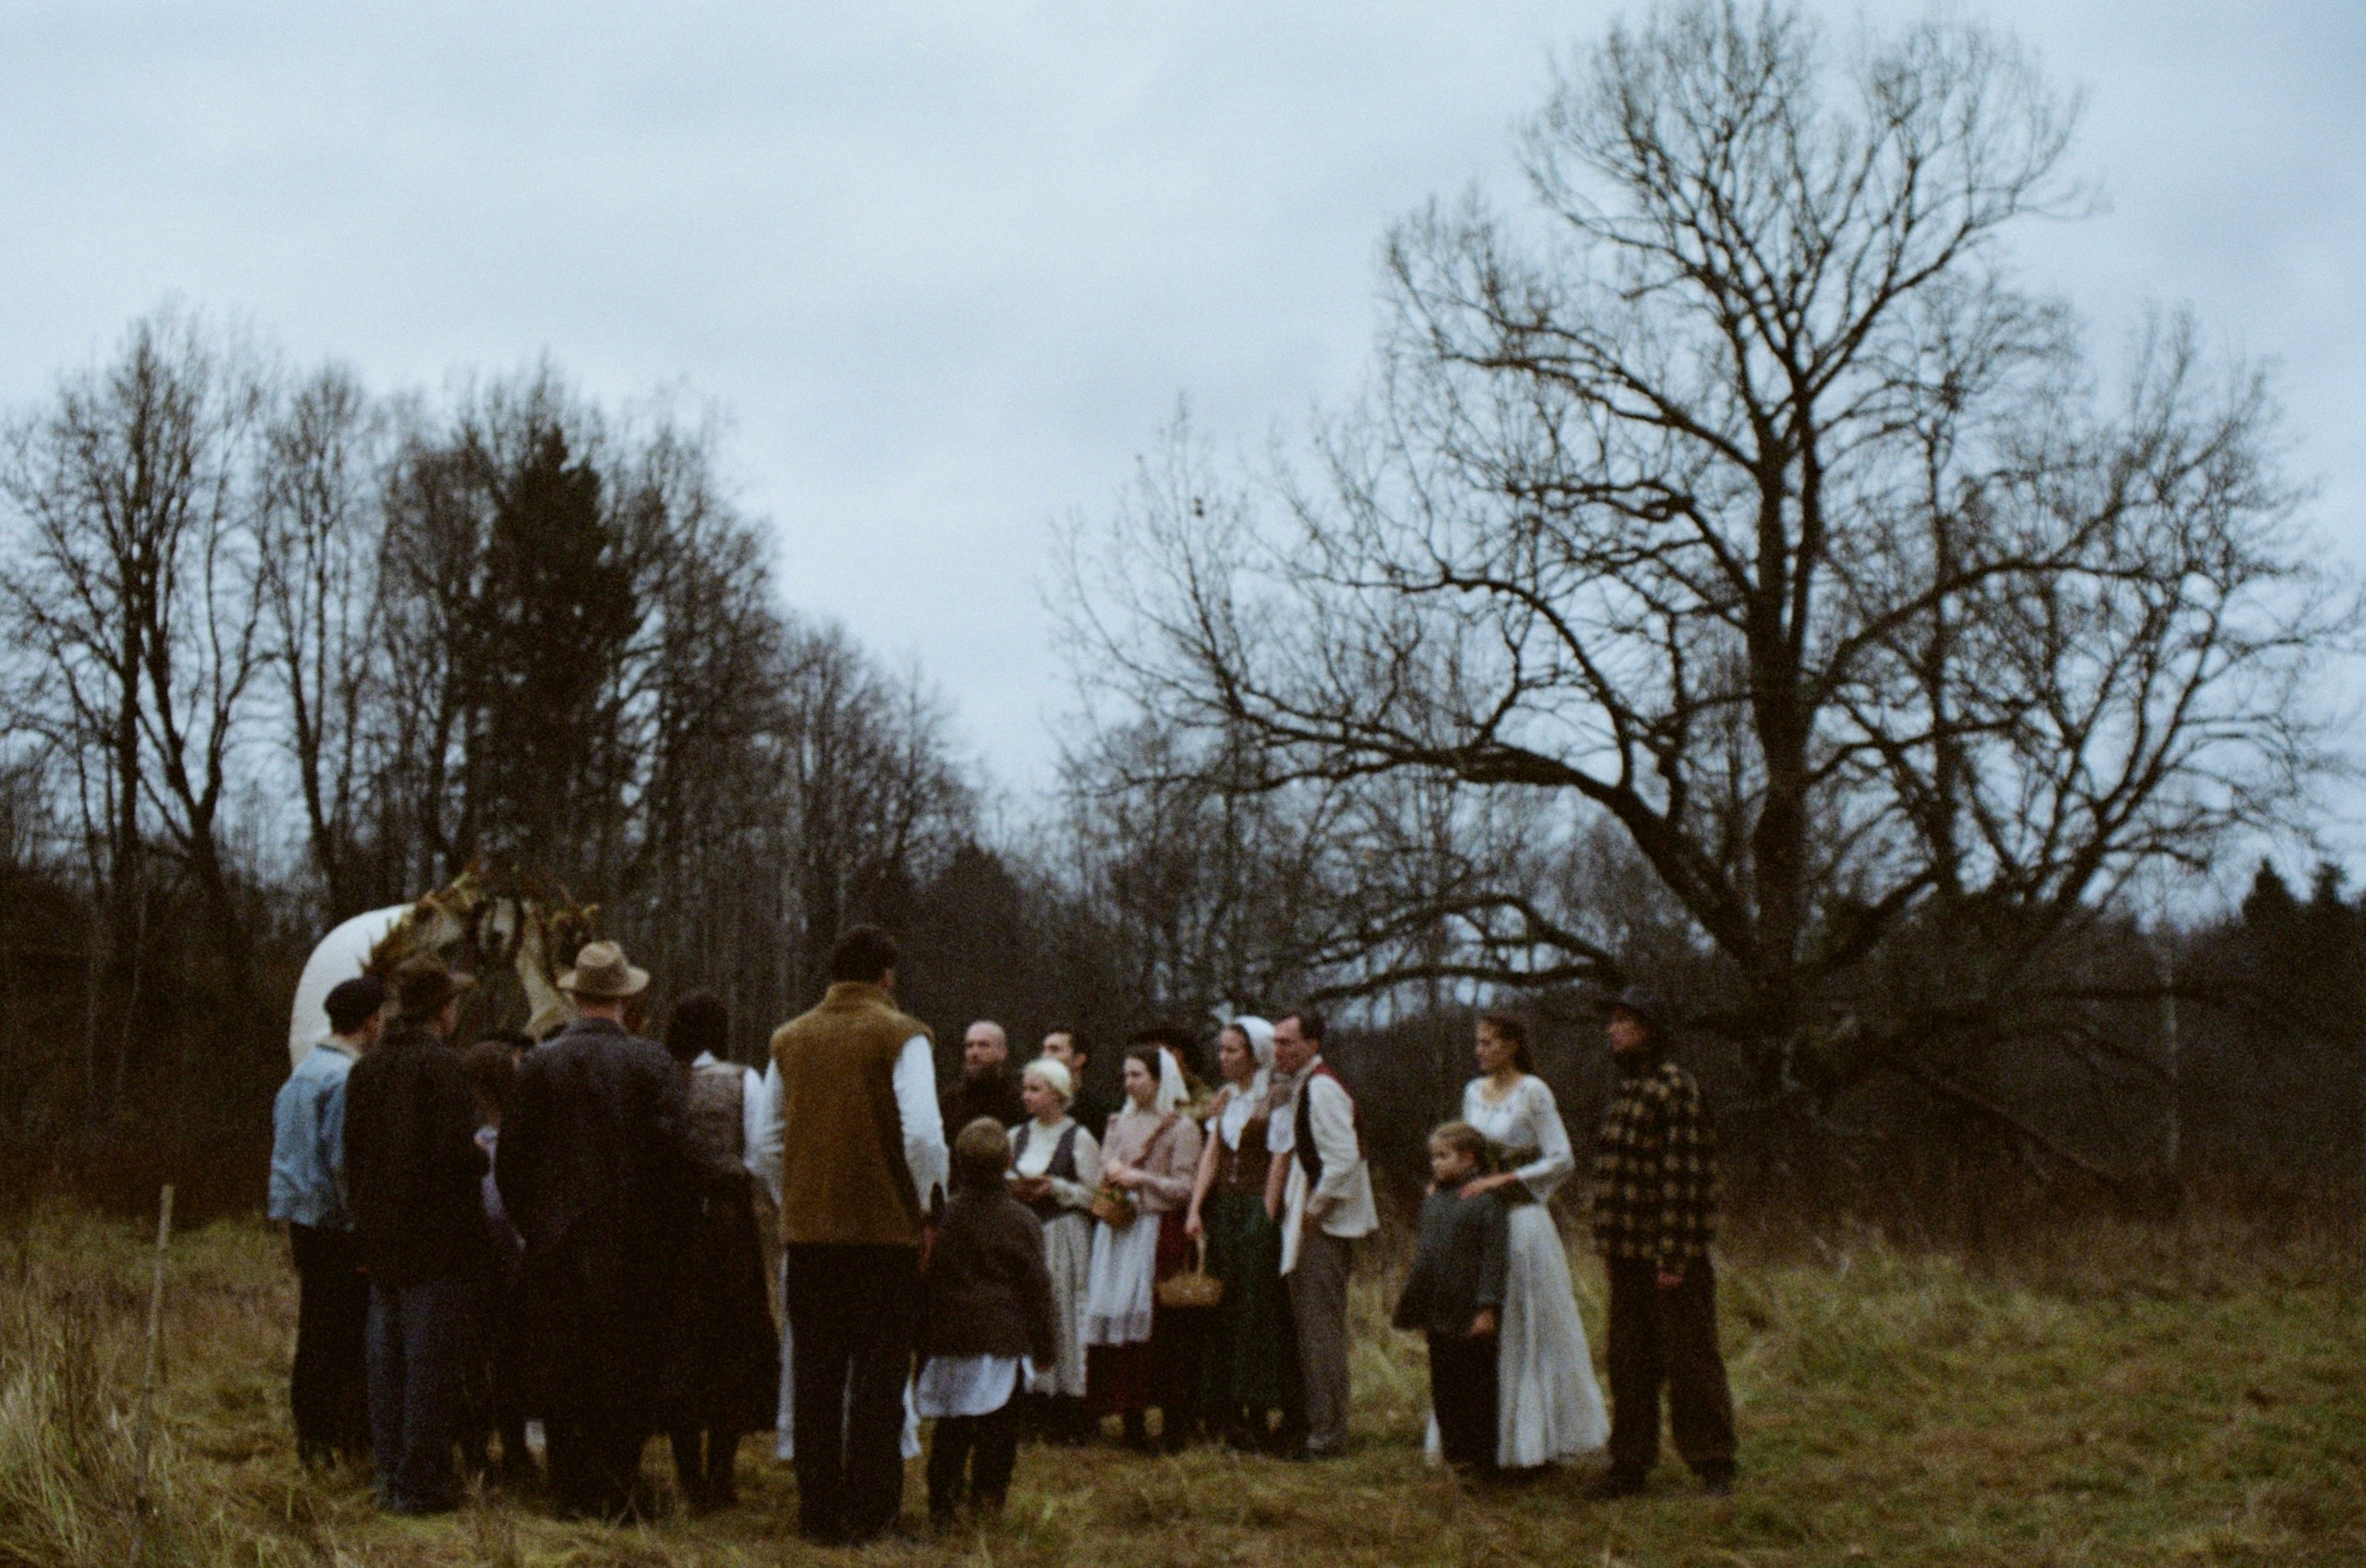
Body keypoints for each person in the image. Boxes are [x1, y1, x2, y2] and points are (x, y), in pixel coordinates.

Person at [498, 940, 690, 1521]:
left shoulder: (538, 1064)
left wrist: (539, 1227)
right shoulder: (652, 1063)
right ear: (627, 1000)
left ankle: (570, 1493)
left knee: (563, 1372)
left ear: (576, 996)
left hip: (557, 1249)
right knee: (625, 1372)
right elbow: (675, 1159)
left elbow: (512, 1164)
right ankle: (616, 1492)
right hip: (634, 1251)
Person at [770, 924, 948, 1546]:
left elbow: (766, 1140)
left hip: (809, 1236)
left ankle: (819, 1515)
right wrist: (930, 1206)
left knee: (815, 1376)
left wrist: (794, 1196)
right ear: (885, 977)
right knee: (877, 1379)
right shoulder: (901, 1032)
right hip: (882, 1236)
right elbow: (923, 1133)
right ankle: (873, 1517)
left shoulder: (788, 1038)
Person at [343, 956, 487, 1514]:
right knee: (428, 1369)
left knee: (386, 1365)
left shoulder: (366, 1069)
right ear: (443, 1010)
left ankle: (388, 1477)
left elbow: (351, 1158)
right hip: (437, 1242)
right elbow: (454, 1152)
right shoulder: (443, 1068)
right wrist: (478, 1158)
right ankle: (421, 1486)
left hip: (382, 1240)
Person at [1587, 987, 1737, 1499]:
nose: (1613, 1029)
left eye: (1623, 1021)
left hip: (1670, 1257)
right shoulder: (1627, 1089)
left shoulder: (1674, 1086)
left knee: (1690, 1363)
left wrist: (1673, 1256)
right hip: (1627, 1258)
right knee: (1628, 1365)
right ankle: (1629, 1464)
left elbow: (1686, 1176)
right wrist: (1607, 1246)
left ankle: (1713, 1463)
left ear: (1648, 1029)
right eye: (1613, 1021)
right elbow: (1614, 1177)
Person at [1447, 1011, 1610, 1470]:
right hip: (1479, 1220)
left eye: (1489, 1043)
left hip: (1520, 1219)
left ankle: (1533, 1441)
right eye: (1477, 1043)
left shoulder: (1534, 1092)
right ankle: (1482, 1438)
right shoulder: (1471, 1093)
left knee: (1524, 1319)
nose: (1480, 1051)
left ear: (1512, 1045)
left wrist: (1508, 1180)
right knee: (1482, 1321)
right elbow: (1464, 1150)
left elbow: (1562, 1158)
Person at [655, 993, 779, 1513]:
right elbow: (757, 1156)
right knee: (730, 1349)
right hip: (728, 1232)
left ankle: (687, 1477)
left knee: (679, 1350)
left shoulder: (657, 1075)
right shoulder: (742, 1080)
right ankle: (719, 1478)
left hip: (669, 1231)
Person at [918, 1118, 1058, 1529]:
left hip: (952, 1339)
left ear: (957, 1163)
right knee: (999, 1430)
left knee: (953, 1426)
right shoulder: (1022, 1221)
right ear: (1009, 1162)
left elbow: (927, 1282)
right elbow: (1037, 1290)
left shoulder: (944, 1219)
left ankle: (941, 1505)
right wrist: (1045, 1347)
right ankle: (988, 1502)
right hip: (1002, 1342)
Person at [269, 972, 384, 1468]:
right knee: (340, 1335)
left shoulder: (303, 1075)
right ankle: (331, 1438)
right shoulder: (344, 1078)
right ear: (369, 1022)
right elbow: (342, 1160)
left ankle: (312, 1435)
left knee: (315, 1328)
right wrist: (363, 1226)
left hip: (302, 1222)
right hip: (334, 1225)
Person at [1080, 1044, 1204, 1452]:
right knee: (1115, 1319)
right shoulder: (1117, 1123)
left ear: (1159, 1079)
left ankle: (1170, 1422)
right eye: (1126, 1075)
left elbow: (1186, 1188)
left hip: (1154, 1230)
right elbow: (1101, 1171)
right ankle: (1128, 1418)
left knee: (1157, 1330)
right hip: (1118, 1230)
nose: (1129, 1083)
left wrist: (1141, 1180)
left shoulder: (1181, 1128)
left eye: (1138, 1076)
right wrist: (1112, 1179)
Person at [1264, 1008, 1375, 1460]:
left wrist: (1314, 1209)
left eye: (1287, 1042)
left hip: (1325, 1226)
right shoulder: (1303, 1086)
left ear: (1312, 1044)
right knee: (1312, 1330)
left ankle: (1327, 1434)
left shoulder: (1322, 1087)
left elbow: (1344, 1160)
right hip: (1312, 1221)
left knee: (1320, 1331)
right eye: (1274, 1042)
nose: (1278, 1051)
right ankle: (1320, 1426)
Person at [1184, 1015, 1292, 1452]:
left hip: (1256, 1206)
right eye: (1222, 1049)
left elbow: (1279, 1161)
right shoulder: (1226, 1098)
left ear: (1256, 1053)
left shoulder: (1276, 1096)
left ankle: (1258, 1408)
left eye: (1232, 1050)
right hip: (1224, 1210)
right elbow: (1213, 1155)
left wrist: (1265, 1218)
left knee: (1256, 1309)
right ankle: (1222, 1408)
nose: (1223, 1058)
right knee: (1221, 1306)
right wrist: (1195, 1208)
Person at [1394, 1122, 1508, 1477]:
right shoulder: (1434, 1201)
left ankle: (1482, 1464)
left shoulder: (1487, 1203)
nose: (1436, 1164)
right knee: (1444, 1389)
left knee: (1477, 1390)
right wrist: (1416, 1304)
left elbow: (1494, 1260)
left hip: (1471, 1313)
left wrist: (1487, 1308)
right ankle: (1455, 1460)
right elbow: (1425, 1257)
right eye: (1433, 1157)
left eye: (1444, 1156)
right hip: (1439, 1312)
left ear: (1469, 1158)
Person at [1007, 1056, 1101, 1443]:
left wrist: (1057, 1188)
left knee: (1064, 1312)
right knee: (1030, 1311)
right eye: (1026, 1088)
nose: (1027, 1096)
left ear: (1058, 1094)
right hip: (1028, 1233)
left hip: (1064, 1233)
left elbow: (1095, 1194)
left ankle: (1071, 1405)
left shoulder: (1078, 1137)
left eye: (1035, 1089)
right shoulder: (1016, 1136)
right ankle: (1033, 1399)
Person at [459, 1035, 532, 1487]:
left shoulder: (475, 1140)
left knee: (479, 1361)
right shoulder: (511, 1142)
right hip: (510, 1266)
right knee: (510, 1362)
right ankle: (512, 1447)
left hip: (480, 1265)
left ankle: (477, 1451)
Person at [944, 1019, 1027, 1131]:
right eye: (969, 1045)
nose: (974, 1052)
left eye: (983, 1045)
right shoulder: (950, 1101)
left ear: (1002, 1052)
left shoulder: (1019, 1101)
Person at [1040, 1027, 1109, 1140]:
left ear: (1078, 1059)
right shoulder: (1032, 1104)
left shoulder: (1096, 1113)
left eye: (1054, 1050)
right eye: (1044, 1049)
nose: (1045, 1056)